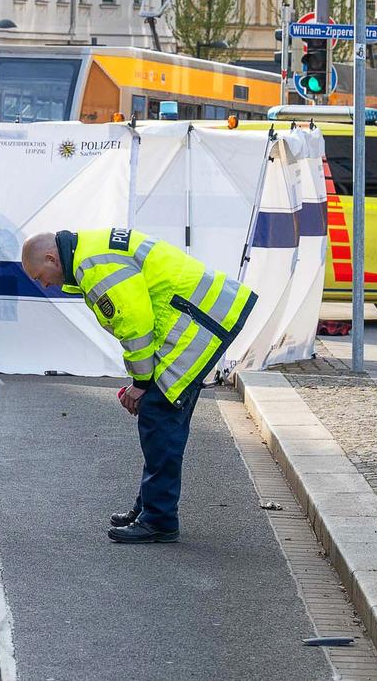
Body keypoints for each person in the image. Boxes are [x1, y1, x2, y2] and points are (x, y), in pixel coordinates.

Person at [21, 228, 256, 544]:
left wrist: (141, 383)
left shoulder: (93, 266)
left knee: (160, 420)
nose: (44, 284)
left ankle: (158, 520)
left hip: (196, 323)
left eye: (40, 275)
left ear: (51, 257)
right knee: (160, 420)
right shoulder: (90, 250)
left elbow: (135, 325)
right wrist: (140, 382)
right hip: (200, 315)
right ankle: (149, 507)